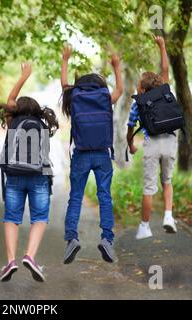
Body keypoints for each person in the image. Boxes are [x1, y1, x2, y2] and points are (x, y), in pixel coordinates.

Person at [0, 63, 59, 282]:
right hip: (39, 176)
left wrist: (23, 77)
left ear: (16, 111)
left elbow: (10, 99)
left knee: (12, 218)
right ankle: (30, 257)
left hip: (14, 175)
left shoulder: (13, 121)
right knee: (39, 218)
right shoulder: (42, 125)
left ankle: (11, 261)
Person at [61, 44, 123, 264]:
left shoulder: (74, 97)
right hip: (102, 154)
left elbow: (64, 85)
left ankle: (71, 239)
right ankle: (107, 239)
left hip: (81, 154)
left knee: (75, 197)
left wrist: (65, 59)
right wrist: (116, 66)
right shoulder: (105, 96)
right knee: (105, 196)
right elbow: (120, 91)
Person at [127, 35, 178, 240]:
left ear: (142, 88)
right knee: (167, 181)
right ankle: (168, 216)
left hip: (152, 144)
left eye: (139, 85)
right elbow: (165, 70)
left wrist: (130, 145)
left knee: (149, 187)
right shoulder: (165, 91)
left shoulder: (137, 104)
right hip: (170, 141)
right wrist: (162, 46)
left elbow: (130, 128)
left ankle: (145, 227)